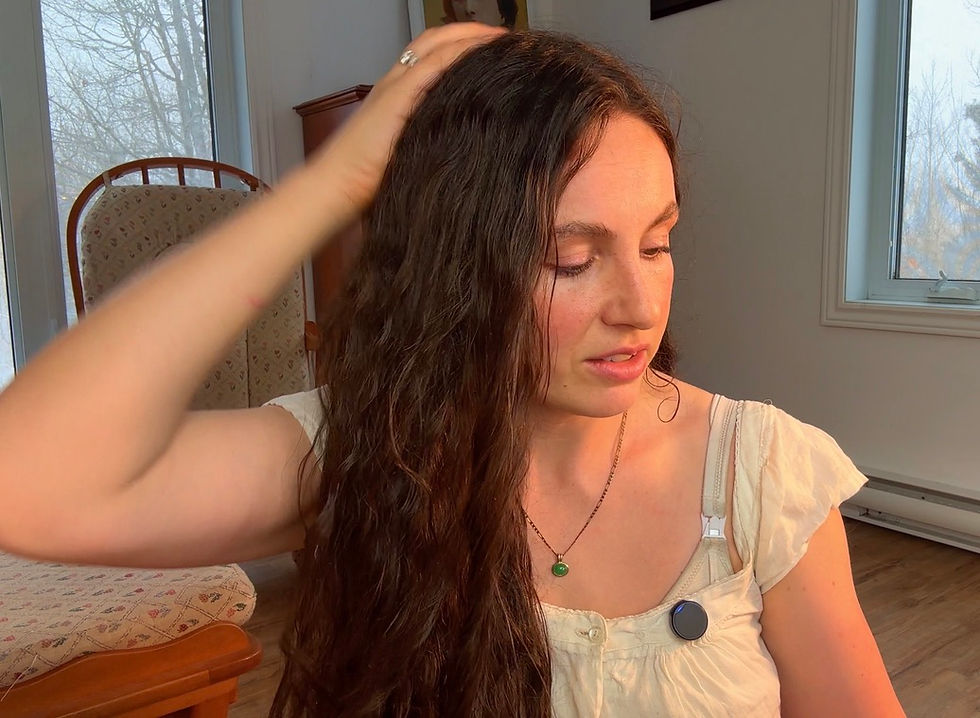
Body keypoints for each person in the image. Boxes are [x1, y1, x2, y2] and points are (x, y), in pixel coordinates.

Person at [0, 24, 905, 717]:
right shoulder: (367, 450)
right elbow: (28, 482)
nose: (640, 303)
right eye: (569, 258)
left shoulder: (760, 472)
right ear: (454, 266)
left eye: (658, 243)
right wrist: (331, 184)